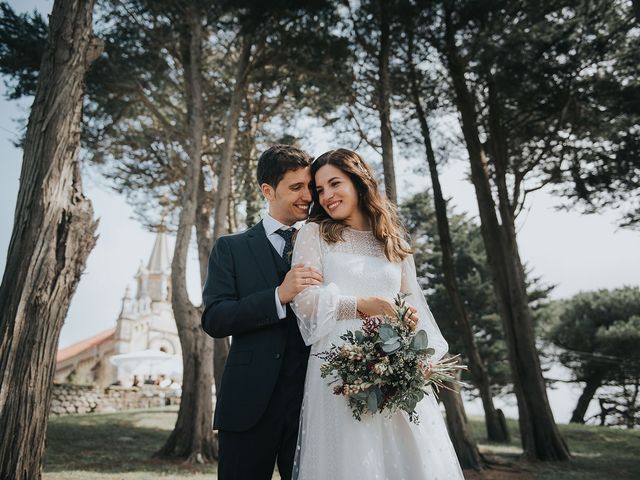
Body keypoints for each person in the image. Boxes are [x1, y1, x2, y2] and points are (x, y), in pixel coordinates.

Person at [290, 148, 464, 479]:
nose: (326, 196)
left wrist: (414, 343)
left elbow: (410, 307)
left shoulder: (391, 241)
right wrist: (363, 304)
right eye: (319, 190)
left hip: (394, 364)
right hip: (337, 368)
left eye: (334, 183)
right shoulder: (315, 234)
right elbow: (305, 302)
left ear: (359, 181)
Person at [201, 144, 323, 480]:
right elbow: (214, 318)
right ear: (267, 190)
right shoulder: (231, 248)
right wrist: (278, 296)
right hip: (246, 407)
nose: (307, 196)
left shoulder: (325, 245)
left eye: (309, 187)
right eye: (296, 187)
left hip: (312, 407)